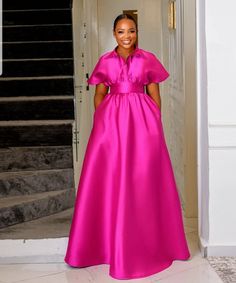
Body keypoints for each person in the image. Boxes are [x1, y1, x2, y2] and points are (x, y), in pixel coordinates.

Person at [65, 13, 190, 280]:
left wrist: (154, 121)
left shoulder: (147, 59)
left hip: (142, 121)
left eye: (131, 31)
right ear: (114, 34)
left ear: (136, 32)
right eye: (121, 32)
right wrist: (103, 121)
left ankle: (151, 243)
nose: (126, 36)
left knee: (141, 176)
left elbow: (154, 92)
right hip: (111, 124)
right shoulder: (105, 61)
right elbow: (99, 94)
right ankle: (101, 245)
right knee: (109, 176)